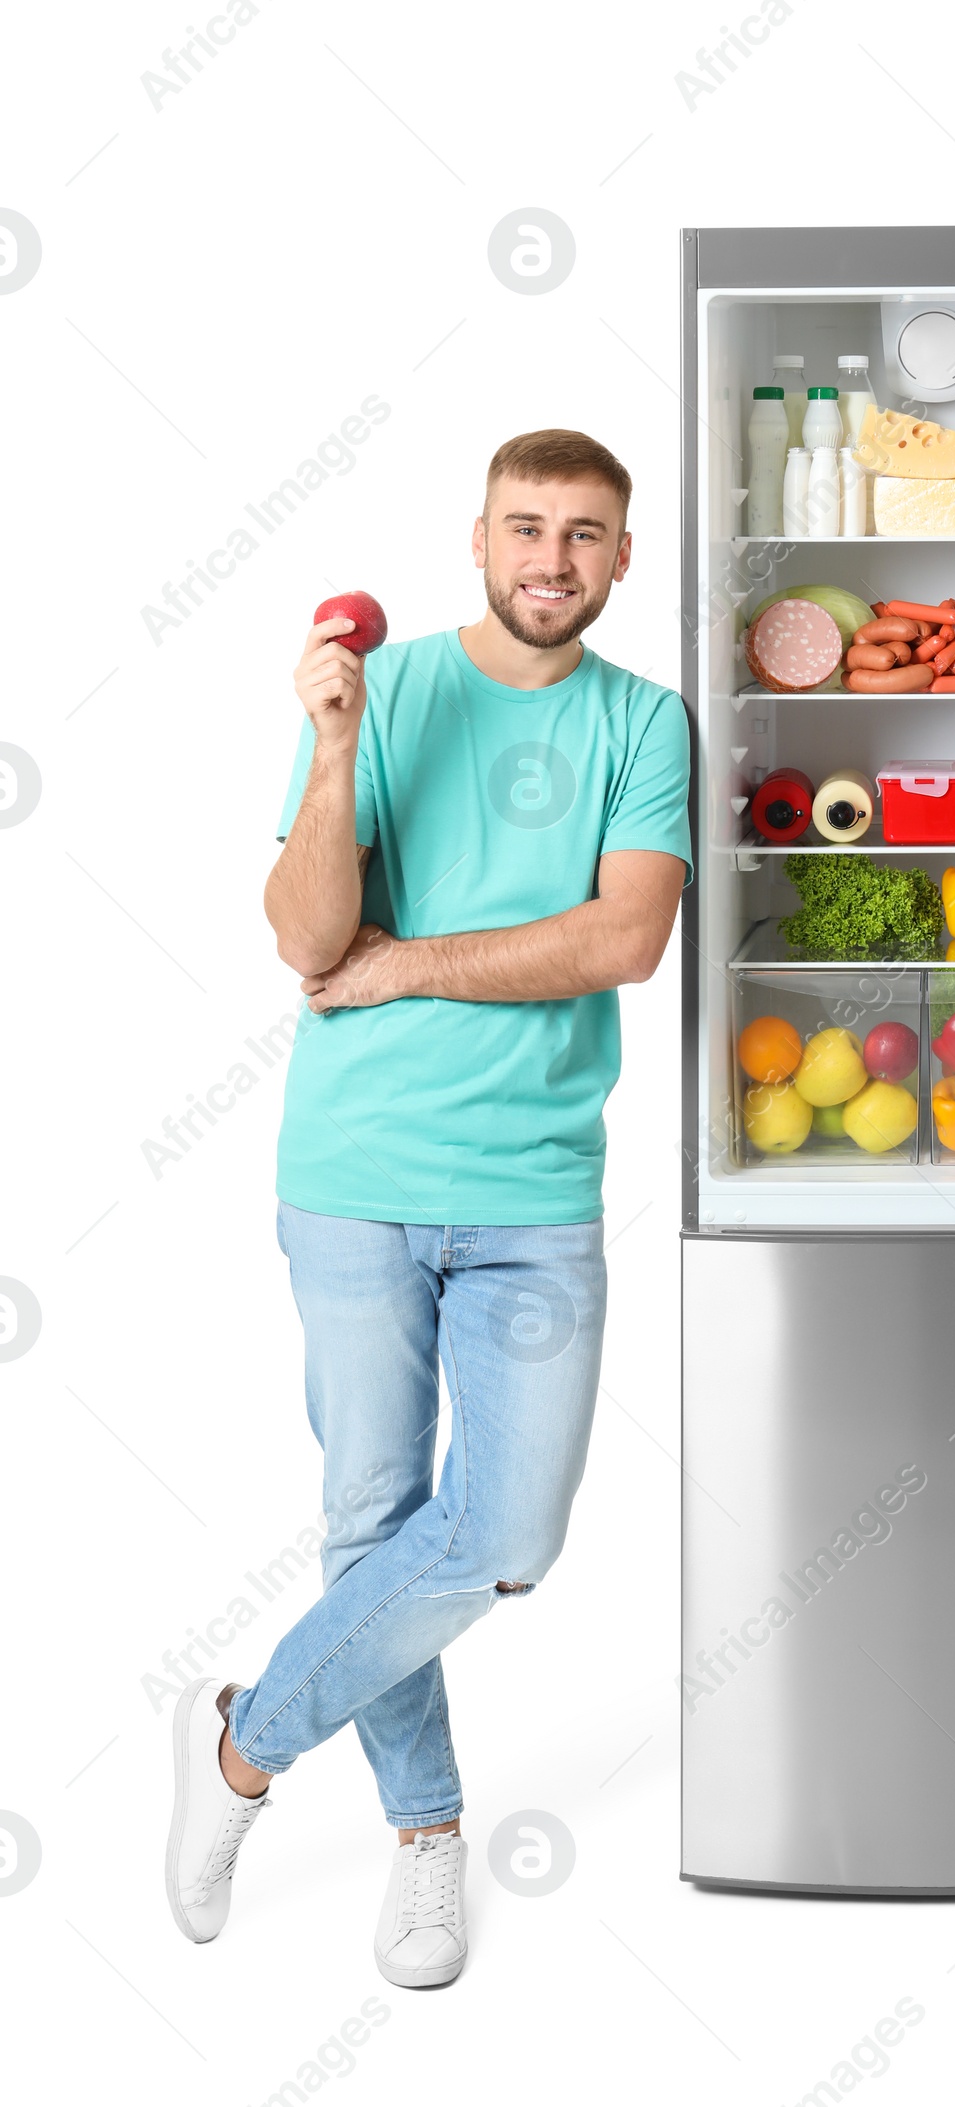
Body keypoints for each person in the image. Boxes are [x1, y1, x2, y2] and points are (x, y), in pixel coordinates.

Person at [164, 429, 691, 1988]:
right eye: (527, 529)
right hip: (356, 1183)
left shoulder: (644, 723)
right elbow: (304, 935)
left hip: (533, 1192)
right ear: (477, 541)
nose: (553, 559)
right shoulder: (380, 694)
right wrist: (333, 751)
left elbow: (625, 942)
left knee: (506, 1535)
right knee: (373, 1525)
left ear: (621, 559)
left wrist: (408, 965)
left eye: (585, 535)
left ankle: (242, 1745)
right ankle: (427, 1836)